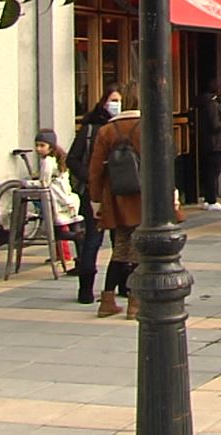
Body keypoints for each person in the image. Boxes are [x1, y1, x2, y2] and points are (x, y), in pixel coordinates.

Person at [88, 83, 144, 319]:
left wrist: (96, 201)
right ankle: (134, 301)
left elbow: (95, 169)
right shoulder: (148, 127)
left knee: (120, 248)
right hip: (143, 198)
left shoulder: (107, 130)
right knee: (141, 251)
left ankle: (107, 298)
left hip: (116, 197)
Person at [66, 85, 121, 304]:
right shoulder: (90, 129)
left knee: (121, 241)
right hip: (95, 192)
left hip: (118, 191)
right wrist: (90, 177)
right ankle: (86, 289)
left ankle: (121, 285)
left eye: (119, 101)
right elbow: (72, 158)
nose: (115, 105)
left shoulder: (122, 126)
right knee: (93, 239)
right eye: (113, 100)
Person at [32, 130, 83, 237]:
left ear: (50, 147)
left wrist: (27, 184)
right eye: (37, 145)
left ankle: (73, 238)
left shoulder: (48, 161)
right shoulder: (58, 158)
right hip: (66, 197)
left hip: (56, 198)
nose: (38, 149)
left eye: (42, 145)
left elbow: (44, 183)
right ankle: (79, 245)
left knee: (56, 231)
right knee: (72, 224)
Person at [196, 79, 221, 212]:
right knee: (213, 171)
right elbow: (215, 125)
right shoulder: (211, 104)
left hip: (208, 143)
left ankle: (209, 198)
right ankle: (212, 199)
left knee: (209, 171)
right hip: (215, 144)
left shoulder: (206, 103)